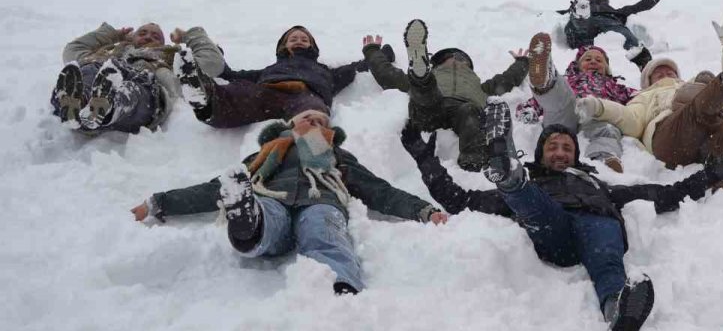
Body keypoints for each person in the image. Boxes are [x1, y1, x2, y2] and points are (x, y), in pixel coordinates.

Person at [401, 99, 723, 330]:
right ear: (540, 153)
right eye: (553, 147)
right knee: (529, 199)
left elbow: (663, 194)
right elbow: (459, 200)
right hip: (552, 225)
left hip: (598, 222)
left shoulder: (597, 183)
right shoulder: (535, 182)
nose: (561, 152)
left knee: (608, 260)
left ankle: (617, 311)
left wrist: (711, 175)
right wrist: (424, 159)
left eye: (567, 148)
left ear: (576, 155)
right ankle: (507, 174)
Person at [131, 109, 448, 294]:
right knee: (267, 216)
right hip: (271, 197)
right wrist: (160, 203)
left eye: (321, 121)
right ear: (290, 126)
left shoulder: (338, 156)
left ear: (329, 132)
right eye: (307, 118)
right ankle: (248, 227)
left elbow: (378, 190)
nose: (314, 122)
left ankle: (341, 290)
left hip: (322, 200)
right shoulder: (265, 155)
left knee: (324, 232)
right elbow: (216, 188)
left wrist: (422, 210)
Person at [575, 9, 723, 195]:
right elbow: (630, 120)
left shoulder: (692, 86)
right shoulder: (645, 96)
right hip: (671, 139)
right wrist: (599, 106)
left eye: (670, 72)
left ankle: (722, 195)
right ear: (648, 81)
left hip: (708, 138)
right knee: (695, 98)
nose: (665, 75)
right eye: (659, 73)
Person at [361, 19, 528, 171]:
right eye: (449, 57)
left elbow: (506, 80)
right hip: (432, 106)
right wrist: (372, 52)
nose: (456, 59)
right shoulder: (436, 75)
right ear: (437, 64)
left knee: (470, 110)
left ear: (468, 66)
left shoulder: (480, 86)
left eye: (461, 58)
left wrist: (522, 62)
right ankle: (420, 72)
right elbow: (389, 76)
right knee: (425, 90)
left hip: (464, 111)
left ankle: (474, 160)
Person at [176, 25, 369, 128]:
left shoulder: (325, 70)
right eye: (293, 39)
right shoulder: (270, 69)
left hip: (306, 93)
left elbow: (354, 68)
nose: (299, 41)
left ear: (312, 47)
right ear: (284, 46)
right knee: (236, 93)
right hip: (268, 92)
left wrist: (376, 53)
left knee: (312, 109)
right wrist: (218, 53)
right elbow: (232, 75)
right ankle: (204, 98)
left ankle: (313, 136)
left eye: (304, 39)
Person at [51, 22, 224, 133]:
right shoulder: (111, 50)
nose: (148, 36)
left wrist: (189, 35)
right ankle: (78, 101)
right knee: (89, 69)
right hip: (102, 72)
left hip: (145, 86)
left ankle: (107, 106)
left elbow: (213, 63)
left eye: (156, 36)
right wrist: (113, 34)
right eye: (142, 33)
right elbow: (73, 50)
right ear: (132, 37)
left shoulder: (169, 55)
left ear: (163, 44)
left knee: (131, 90)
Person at [521, 34, 636, 172]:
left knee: (606, 130)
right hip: (567, 113)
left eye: (599, 60)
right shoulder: (569, 80)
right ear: (578, 66)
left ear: (606, 69)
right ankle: (546, 80)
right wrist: (529, 110)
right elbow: (537, 102)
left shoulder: (616, 87)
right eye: (587, 59)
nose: (593, 61)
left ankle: (604, 160)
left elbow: (638, 100)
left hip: (596, 116)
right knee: (561, 96)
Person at [559, 0, 664, 68]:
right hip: (587, 23)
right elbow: (551, 16)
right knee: (580, 24)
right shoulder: (572, 11)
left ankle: (644, 64)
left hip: (611, 23)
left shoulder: (615, 11)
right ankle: (581, 13)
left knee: (627, 37)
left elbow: (636, 7)